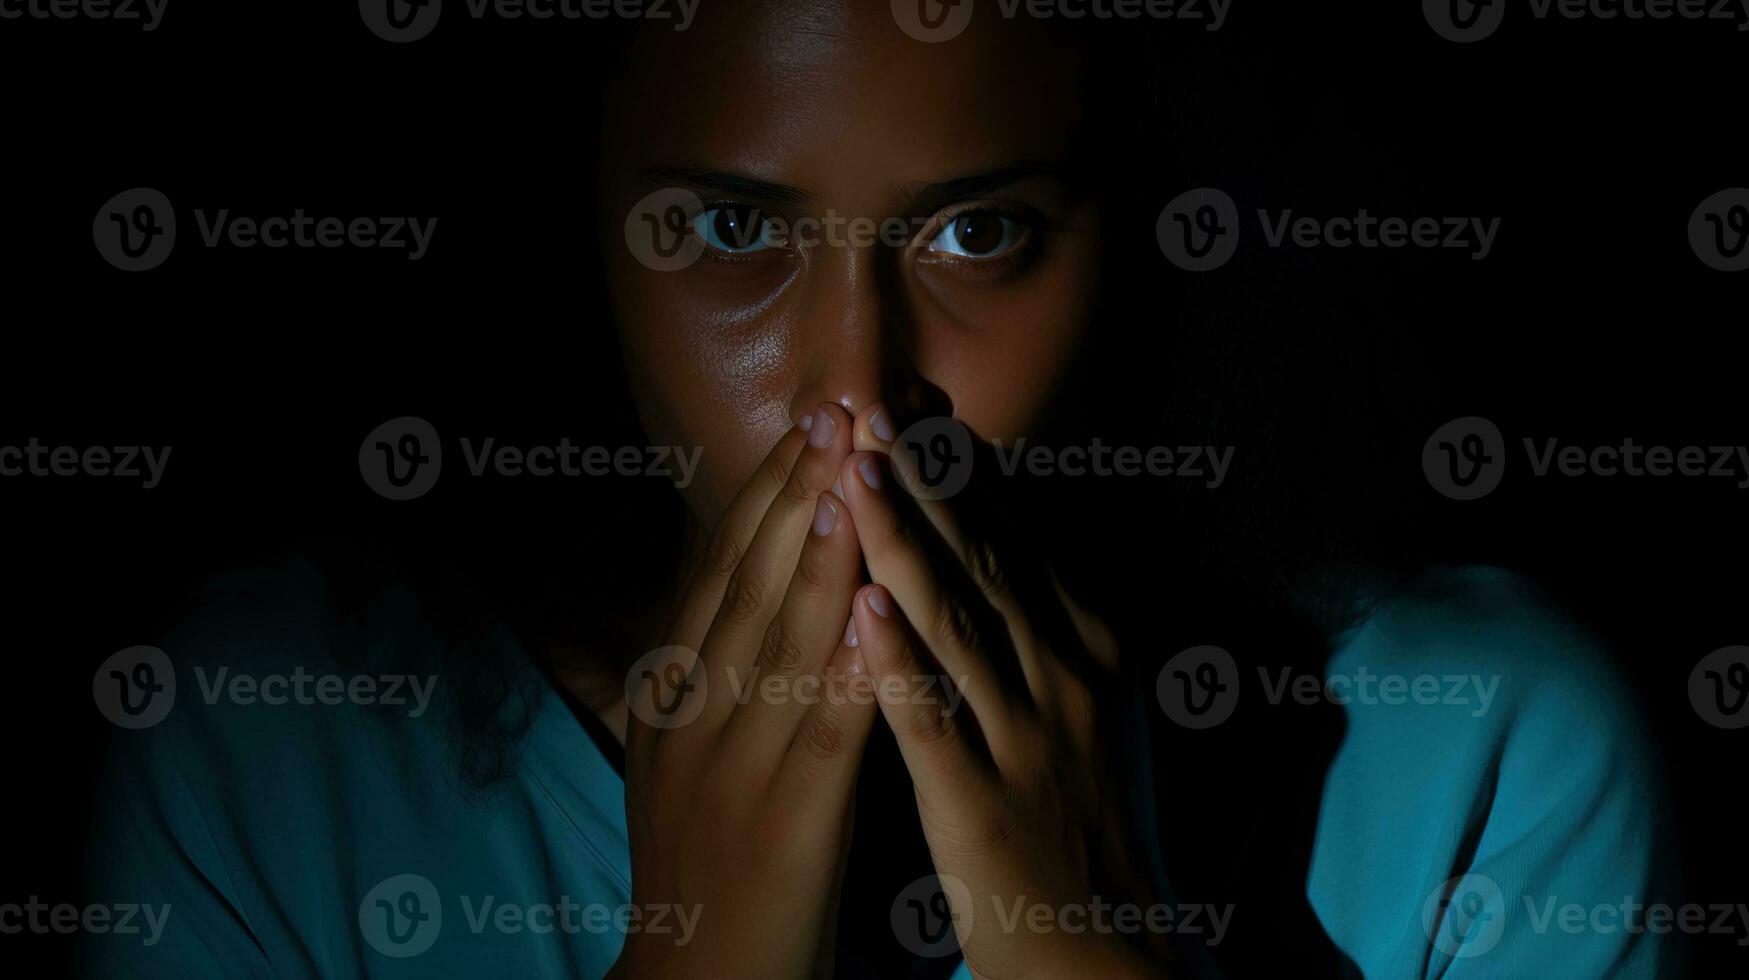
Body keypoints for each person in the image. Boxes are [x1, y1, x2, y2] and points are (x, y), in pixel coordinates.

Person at [80, 1, 1675, 976]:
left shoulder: (1479, 749)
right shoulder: (270, 755)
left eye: (978, 237)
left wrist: (1078, 951)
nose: (856, 390)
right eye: (727, 237)